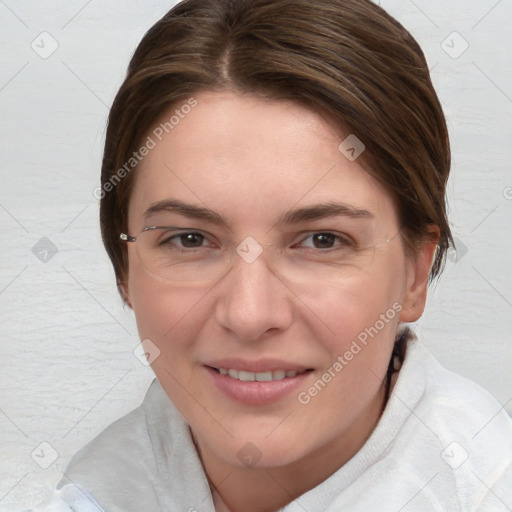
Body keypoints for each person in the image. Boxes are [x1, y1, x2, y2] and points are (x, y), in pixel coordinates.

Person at [31, 0, 512, 510]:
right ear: (124, 269)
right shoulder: (87, 494)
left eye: (322, 240)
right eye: (189, 239)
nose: (249, 314)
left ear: (415, 274)